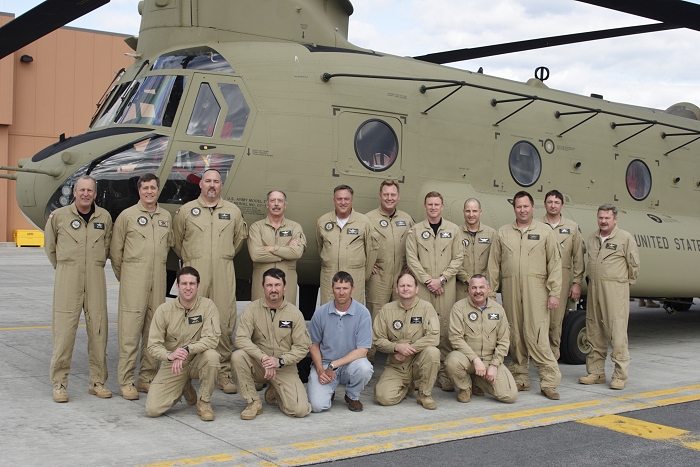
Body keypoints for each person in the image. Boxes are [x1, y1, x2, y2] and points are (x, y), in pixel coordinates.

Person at [172, 168, 247, 394]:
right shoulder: (186, 211)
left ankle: (223, 373)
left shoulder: (233, 211)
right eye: (208, 181)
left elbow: (238, 242)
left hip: (223, 271)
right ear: (201, 184)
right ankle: (187, 370)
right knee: (191, 321)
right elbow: (177, 242)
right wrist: (195, 258)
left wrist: (220, 258)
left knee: (224, 321)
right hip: (195, 271)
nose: (212, 185)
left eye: (216, 181)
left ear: (221, 186)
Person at [488, 191, 562, 400]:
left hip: (537, 290)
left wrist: (554, 292)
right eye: (519, 207)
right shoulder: (503, 233)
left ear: (533, 208)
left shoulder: (546, 232)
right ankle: (520, 377)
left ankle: (549, 381)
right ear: (514, 209)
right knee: (515, 333)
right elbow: (494, 265)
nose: (522, 210)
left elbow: (555, 265)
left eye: (526, 206)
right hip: (511, 289)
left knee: (537, 334)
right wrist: (491, 292)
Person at [45, 176, 112, 403]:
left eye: (89, 190)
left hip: (95, 278)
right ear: (74, 192)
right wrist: (65, 268)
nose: (85, 194)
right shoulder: (60, 217)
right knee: (64, 333)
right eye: (81, 190)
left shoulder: (104, 217)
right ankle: (60, 384)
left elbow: (107, 245)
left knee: (98, 332)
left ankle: (98, 382)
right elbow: (50, 246)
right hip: (68, 279)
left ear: (95, 193)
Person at [110, 173, 172, 400]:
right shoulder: (127, 216)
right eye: (145, 188)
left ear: (158, 190)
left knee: (154, 331)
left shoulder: (166, 216)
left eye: (153, 188)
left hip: (158, 279)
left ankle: (147, 377)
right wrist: (127, 276)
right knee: (129, 331)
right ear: (139, 191)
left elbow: (169, 245)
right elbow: (116, 253)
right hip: (134, 278)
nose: (149, 191)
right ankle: (126, 380)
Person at [232, 268, 312, 420]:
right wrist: (263, 358)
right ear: (263, 287)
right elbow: (241, 339)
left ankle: (275, 390)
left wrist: (280, 361)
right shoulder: (252, 309)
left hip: (284, 367)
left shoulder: (295, 314)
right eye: (269, 285)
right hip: (260, 365)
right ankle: (253, 402)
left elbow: (302, 347)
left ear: (284, 286)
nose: (273, 289)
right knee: (238, 356)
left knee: (300, 410)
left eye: (277, 285)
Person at [145, 267, 221, 421]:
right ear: (177, 286)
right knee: (153, 410)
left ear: (198, 286)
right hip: (174, 364)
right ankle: (183, 386)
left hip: (197, 359)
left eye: (192, 284)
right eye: (184, 283)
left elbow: (212, 339)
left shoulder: (208, 306)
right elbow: (153, 346)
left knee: (212, 357)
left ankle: (204, 402)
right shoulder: (164, 311)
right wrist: (170, 355)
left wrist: (187, 349)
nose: (188, 288)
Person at [405, 191, 463, 391]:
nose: (433, 207)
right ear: (425, 206)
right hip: (423, 286)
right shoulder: (415, 231)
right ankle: (419, 375)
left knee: (445, 327)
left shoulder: (453, 230)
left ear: (442, 206)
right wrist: (427, 280)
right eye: (429, 204)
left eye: (436, 204)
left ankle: (445, 374)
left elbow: (458, 258)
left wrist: (442, 279)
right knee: (420, 327)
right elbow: (411, 258)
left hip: (445, 286)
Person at [580, 204, 640, 390]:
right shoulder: (592, 238)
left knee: (616, 331)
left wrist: (621, 284)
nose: (603, 221)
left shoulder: (625, 238)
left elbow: (634, 266)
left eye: (607, 218)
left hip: (615, 289)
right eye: (600, 218)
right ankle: (596, 372)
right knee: (594, 330)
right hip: (595, 289)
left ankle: (619, 375)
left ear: (615, 219)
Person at [445, 274, 517, 404]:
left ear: (488, 289)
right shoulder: (459, 308)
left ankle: (478, 381)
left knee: (509, 396)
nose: (478, 291)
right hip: (468, 359)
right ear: (468, 290)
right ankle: (465, 388)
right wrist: (475, 359)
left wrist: (495, 365)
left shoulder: (498, 310)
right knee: (452, 361)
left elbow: (504, 341)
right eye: (474, 288)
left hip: (490, 359)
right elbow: (455, 338)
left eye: (481, 287)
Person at [307, 271, 374, 412]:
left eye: (345, 288)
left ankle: (352, 396)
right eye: (338, 288)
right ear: (332, 289)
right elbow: (314, 345)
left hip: (350, 365)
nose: (341, 292)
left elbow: (363, 350)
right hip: (325, 364)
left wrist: (334, 365)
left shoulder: (363, 313)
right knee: (317, 406)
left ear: (352, 289)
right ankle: (328, 392)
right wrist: (321, 371)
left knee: (365, 368)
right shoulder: (320, 313)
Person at [373, 271, 440, 409]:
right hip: (396, 365)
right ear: (396, 289)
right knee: (383, 397)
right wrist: (396, 347)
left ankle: (424, 395)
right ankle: (406, 386)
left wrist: (406, 350)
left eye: (409, 285)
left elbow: (433, 337)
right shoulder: (387, 310)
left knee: (433, 352)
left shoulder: (427, 308)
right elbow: (377, 340)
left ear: (416, 289)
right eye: (402, 285)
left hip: (418, 362)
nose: (405, 288)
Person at [365, 180, 414, 362]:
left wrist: (410, 267)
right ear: (380, 196)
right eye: (386, 194)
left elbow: (414, 245)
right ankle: (368, 358)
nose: (389, 198)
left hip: (400, 276)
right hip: (379, 276)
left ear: (398, 197)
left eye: (393, 195)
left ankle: (399, 359)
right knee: (375, 316)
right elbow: (358, 246)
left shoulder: (407, 219)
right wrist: (368, 266)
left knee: (401, 315)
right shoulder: (368, 219)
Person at [537, 190, 585, 360]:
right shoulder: (536, 225)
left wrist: (577, 282)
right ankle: (538, 355)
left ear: (562, 205)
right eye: (550, 202)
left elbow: (578, 257)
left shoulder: (572, 227)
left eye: (556, 202)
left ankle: (552, 358)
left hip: (563, 277)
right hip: (539, 276)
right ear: (544, 204)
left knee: (556, 321)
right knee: (538, 319)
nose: (553, 205)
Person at [316, 185, 377, 305]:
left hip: (355, 277)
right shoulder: (323, 222)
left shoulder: (364, 222)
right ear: (334, 200)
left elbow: (371, 250)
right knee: (329, 313)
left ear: (352, 200)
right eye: (339, 199)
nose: (343, 202)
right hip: (330, 276)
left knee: (353, 313)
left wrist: (364, 275)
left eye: (346, 199)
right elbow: (320, 247)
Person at [247, 190, 306, 304]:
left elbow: (297, 252)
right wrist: (285, 254)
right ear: (267, 204)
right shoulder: (256, 227)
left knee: (286, 318)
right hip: (262, 282)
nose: (276, 204)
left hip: (287, 283)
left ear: (285, 205)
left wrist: (273, 249)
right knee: (260, 316)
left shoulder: (295, 227)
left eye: (280, 201)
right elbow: (256, 255)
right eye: (272, 200)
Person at [456, 198, 496, 301]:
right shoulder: (456, 233)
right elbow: (453, 261)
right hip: (461, 290)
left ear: (480, 212)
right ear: (463, 212)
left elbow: (494, 264)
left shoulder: (492, 234)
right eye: (468, 211)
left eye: (474, 211)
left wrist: (490, 292)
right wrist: (467, 279)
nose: (471, 214)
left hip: (483, 291)